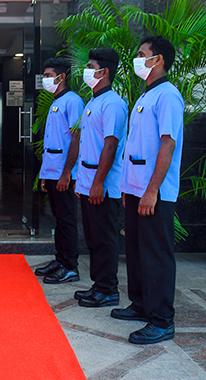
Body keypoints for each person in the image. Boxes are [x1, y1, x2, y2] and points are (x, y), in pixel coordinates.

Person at [114, 35, 183, 345]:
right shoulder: (146, 96)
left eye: (143, 54)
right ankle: (141, 304)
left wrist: (152, 190)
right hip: (135, 189)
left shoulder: (167, 96)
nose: (137, 60)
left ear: (159, 60)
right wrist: (130, 189)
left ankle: (161, 320)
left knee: (156, 255)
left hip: (154, 193)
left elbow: (167, 143)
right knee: (137, 252)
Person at [74, 48, 128, 308]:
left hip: (103, 186)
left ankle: (108, 289)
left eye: (90, 66)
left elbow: (110, 146)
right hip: (87, 182)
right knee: (94, 238)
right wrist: (81, 181)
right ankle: (99, 285)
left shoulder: (113, 104)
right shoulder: (93, 101)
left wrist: (97, 183)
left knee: (105, 238)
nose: (86, 71)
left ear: (104, 72)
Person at [34, 57, 85, 284]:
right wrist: (46, 174)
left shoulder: (72, 101)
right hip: (52, 172)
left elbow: (76, 138)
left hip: (65, 174)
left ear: (61, 77)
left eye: (48, 75)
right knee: (58, 218)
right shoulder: (56, 101)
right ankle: (60, 259)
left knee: (66, 219)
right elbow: (52, 141)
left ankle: (70, 266)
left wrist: (66, 173)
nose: (45, 80)